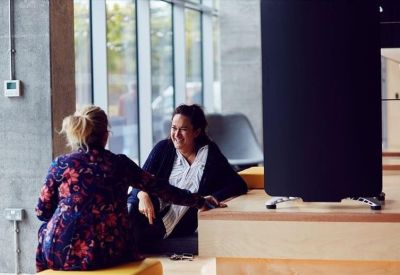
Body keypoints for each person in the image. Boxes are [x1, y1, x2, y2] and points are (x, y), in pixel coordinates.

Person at [35, 105, 219, 272]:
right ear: (106, 135)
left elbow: (42, 212)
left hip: (61, 252)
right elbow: (164, 190)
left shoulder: (60, 164)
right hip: (110, 251)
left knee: (44, 229)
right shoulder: (119, 164)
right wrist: (200, 201)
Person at [127, 104, 248, 249]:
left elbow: (238, 185)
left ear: (196, 132)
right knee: (133, 207)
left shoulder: (209, 155)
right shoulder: (163, 148)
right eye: (173, 128)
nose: (176, 134)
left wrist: (211, 199)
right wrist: (143, 195)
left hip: (176, 225)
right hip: (147, 212)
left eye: (183, 129)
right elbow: (138, 179)